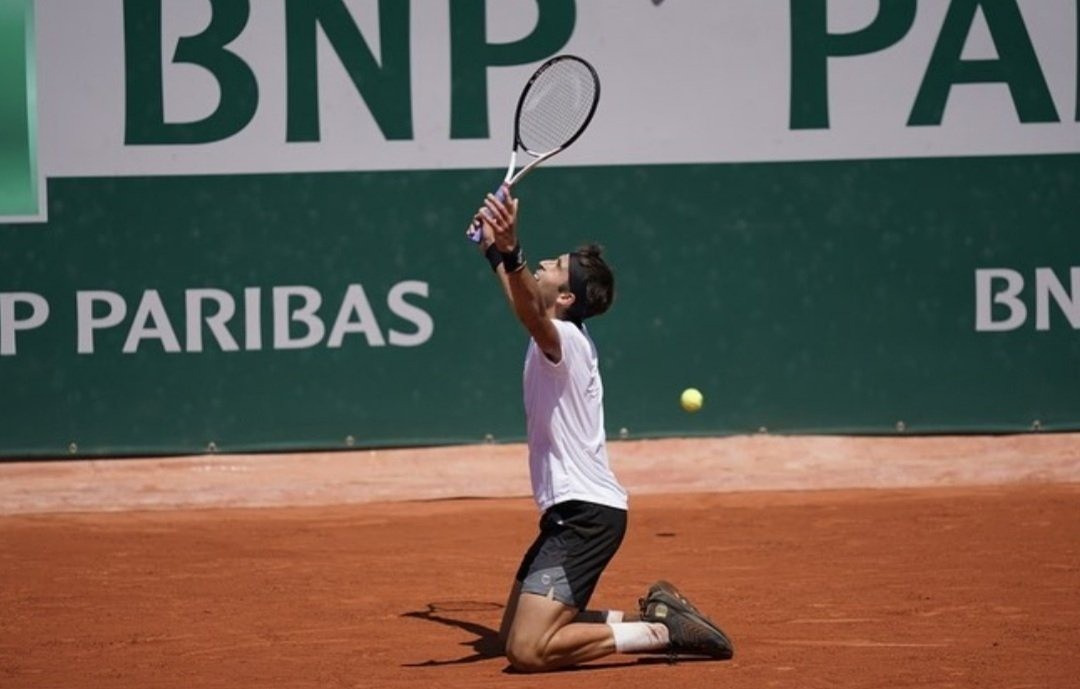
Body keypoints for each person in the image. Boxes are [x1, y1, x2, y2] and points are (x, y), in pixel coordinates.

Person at [468, 185, 734, 672]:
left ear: (566, 296)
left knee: (526, 650)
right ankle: (657, 615)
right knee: (510, 633)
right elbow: (524, 301)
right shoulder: (560, 331)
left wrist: (510, 249)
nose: (541, 266)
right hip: (573, 511)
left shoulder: (563, 338)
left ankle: (659, 633)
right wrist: (493, 252)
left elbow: (528, 307)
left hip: (585, 515)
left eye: (550, 266)